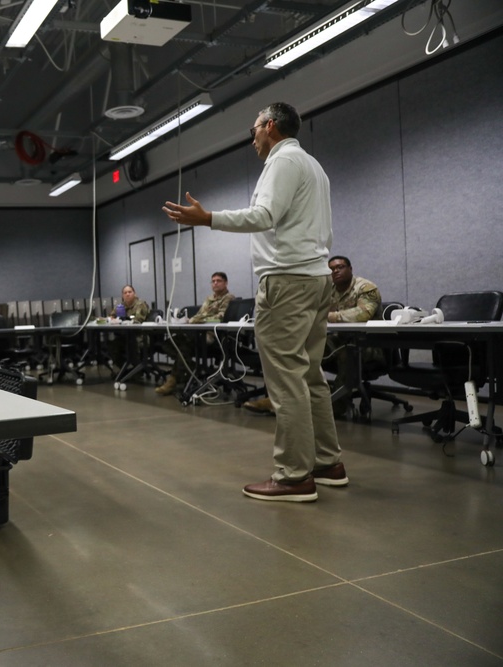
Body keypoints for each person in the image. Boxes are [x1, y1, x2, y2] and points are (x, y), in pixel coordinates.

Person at [162, 102, 345, 502]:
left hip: (288, 281)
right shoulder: (314, 166)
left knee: (286, 378)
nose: (253, 139)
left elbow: (264, 216)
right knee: (310, 374)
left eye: (254, 130)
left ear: (271, 126)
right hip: (316, 279)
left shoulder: (281, 162)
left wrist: (208, 218)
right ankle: (328, 463)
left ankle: (294, 475)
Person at [155, 272, 235, 395]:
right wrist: (189, 320)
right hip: (197, 333)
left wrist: (197, 320)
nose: (215, 283)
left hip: (212, 336)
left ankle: (173, 380)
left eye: (218, 281)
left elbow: (220, 318)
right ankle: (191, 366)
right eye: (213, 281)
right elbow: (198, 315)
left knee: (184, 347)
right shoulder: (209, 299)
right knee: (168, 343)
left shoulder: (228, 298)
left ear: (225, 283)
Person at [324, 255, 383, 417]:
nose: (335, 271)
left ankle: (336, 405)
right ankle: (310, 399)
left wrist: (330, 316)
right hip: (340, 341)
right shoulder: (329, 291)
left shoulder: (366, 288)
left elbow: (363, 313)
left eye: (340, 267)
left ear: (350, 269)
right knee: (307, 347)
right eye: (331, 269)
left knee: (347, 353)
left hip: (370, 345)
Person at [107, 285, 151, 370]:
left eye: (130, 292)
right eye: (125, 293)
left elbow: (138, 320)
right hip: (125, 336)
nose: (127, 294)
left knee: (130, 345)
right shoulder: (121, 306)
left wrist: (122, 321)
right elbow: (111, 316)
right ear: (123, 295)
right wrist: (112, 318)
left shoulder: (140, 304)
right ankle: (126, 370)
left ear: (134, 293)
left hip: (139, 336)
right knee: (112, 346)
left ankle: (136, 369)